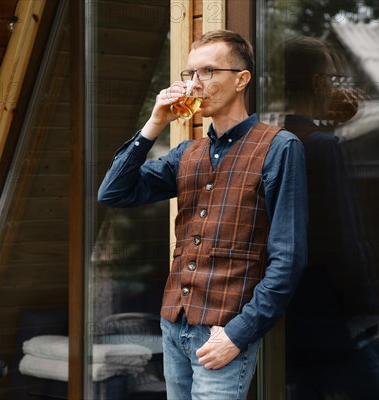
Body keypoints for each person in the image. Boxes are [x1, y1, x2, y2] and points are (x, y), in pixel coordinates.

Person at [98, 30, 308, 400]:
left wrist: (239, 333)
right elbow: (113, 193)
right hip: (174, 324)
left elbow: (288, 257)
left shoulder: (279, 146)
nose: (196, 83)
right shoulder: (186, 153)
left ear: (241, 79)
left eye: (208, 71)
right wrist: (154, 124)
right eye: (191, 73)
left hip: (224, 331)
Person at [280, 36, 379, 400]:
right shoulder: (323, 147)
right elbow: (344, 240)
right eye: (332, 80)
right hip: (331, 317)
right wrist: (371, 306)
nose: (336, 89)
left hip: (289, 316)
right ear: (317, 84)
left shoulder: (277, 139)